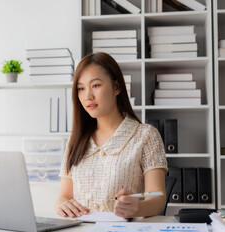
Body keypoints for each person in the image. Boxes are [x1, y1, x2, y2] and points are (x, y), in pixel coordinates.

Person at [55, 52, 168, 219]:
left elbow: (158, 198)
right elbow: (63, 196)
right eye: (81, 88)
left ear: (116, 87)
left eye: (96, 85)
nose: (88, 96)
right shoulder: (76, 141)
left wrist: (138, 208)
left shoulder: (145, 135)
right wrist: (62, 205)